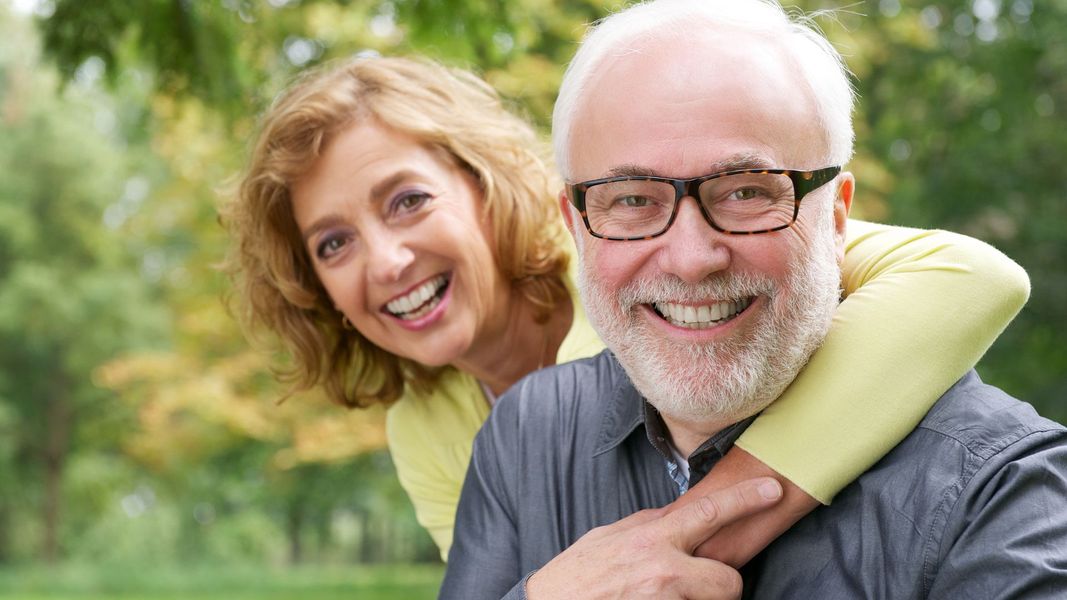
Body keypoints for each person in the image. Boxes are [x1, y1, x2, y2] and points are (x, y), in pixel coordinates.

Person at [224, 53, 1030, 565]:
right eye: (332, 244)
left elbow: (971, 275)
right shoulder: (428, 429)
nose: (385, 261)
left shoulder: (645, 261)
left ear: (486, 186)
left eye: (406, 201)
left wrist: (718, 512)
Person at [439, 0, 1067, 597]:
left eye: (747, 192)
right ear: (576, 225)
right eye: (631, 199)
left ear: (838, 217)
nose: (690, 260)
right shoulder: (527, 432)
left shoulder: (1001, 494)